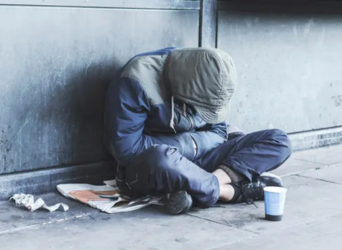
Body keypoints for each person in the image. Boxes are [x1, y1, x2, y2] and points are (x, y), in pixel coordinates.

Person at [103, 47, 292, 215]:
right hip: (155, 167)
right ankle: (231, 192)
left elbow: (219, 132)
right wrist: (191, 145)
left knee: (279, 140)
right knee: (160, 158)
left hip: (200, 157)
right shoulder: (134, 81)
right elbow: (128, 152)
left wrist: (194, 148)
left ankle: (201, 185)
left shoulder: (209, 77)